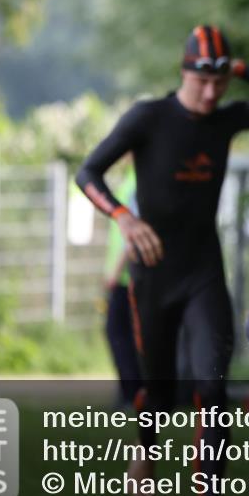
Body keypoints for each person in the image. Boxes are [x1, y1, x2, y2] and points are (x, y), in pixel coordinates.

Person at [76, 25, 249, 496]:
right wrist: (122, 216)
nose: (211, 94)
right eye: (202, 82)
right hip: (152, 276)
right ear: (183, 71)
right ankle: (146, 448)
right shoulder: (149, 118)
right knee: (157, 392)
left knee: (211, 387)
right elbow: (88, 172)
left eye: (219, 84)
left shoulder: (225, 120)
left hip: (203, 271)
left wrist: (244, 69)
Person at [102, 164, 142, 411]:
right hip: (123, 276)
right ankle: (130, 394)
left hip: (129, 277)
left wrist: (115, 273)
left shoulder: (139, 181)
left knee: (119, 334)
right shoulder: (129, 179)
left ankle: (133, 395)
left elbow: (133, 234)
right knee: (121, 335)